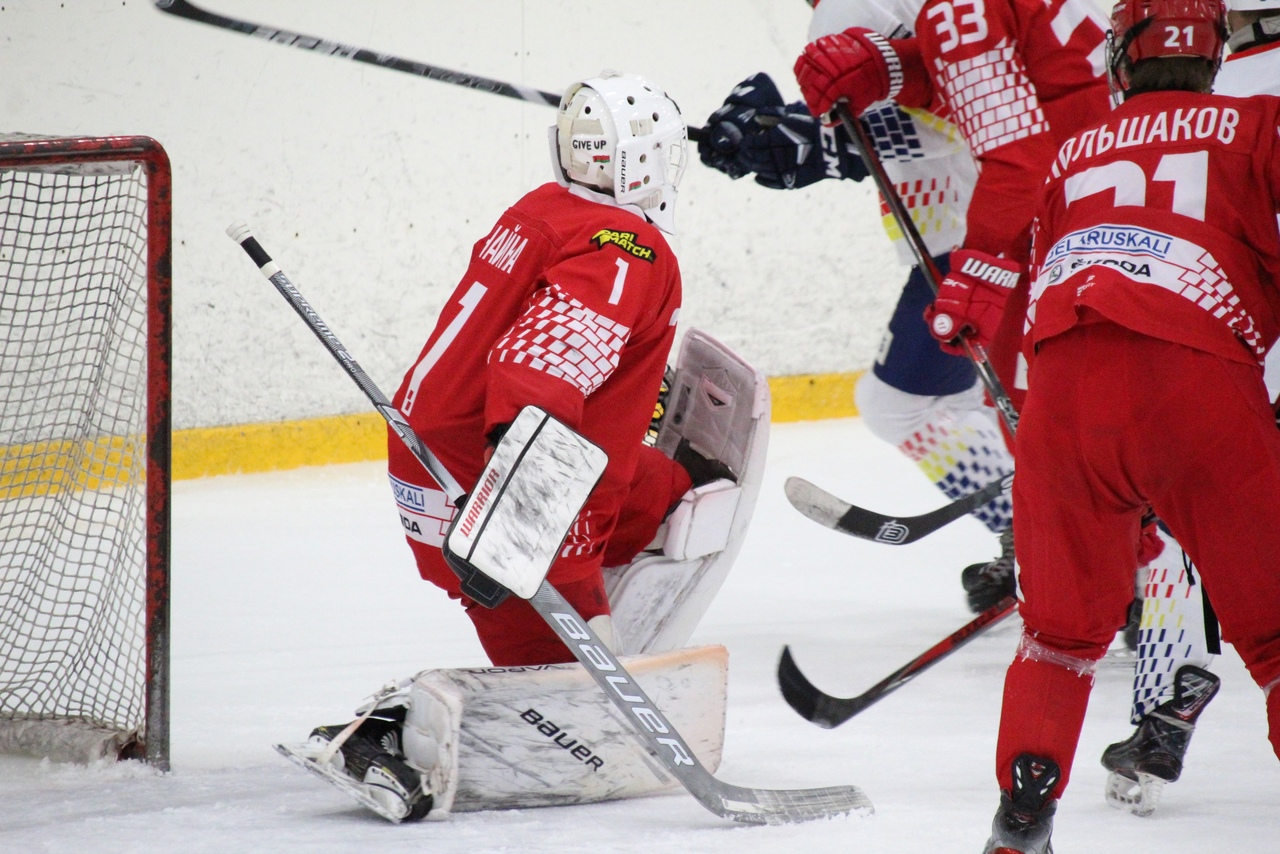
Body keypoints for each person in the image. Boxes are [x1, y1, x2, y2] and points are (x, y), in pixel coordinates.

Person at [964, 0, 1280, 847]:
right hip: (1197, 384)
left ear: (1124, 56)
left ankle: (1021, 817)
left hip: (1064, 401)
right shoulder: (1257, 124)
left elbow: (1039, 298)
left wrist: (1108, 484)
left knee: (1059, 638)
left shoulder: (1073, 148)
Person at [699, 0, 1016, 616]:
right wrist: (791, 135)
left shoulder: (855, 7)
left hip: (977, 237)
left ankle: (1057, 536)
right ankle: (1057, 538)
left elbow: (967, 112)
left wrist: (819, 142)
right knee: (968, 403)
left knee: (899, 404)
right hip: (985, 227)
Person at [384, 71, 707, 668]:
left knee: (659, 487)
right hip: (489, 481)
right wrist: (512, 524)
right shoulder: (628, 248)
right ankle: (421, 718)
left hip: (428, 446)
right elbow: (538, 367)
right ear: (639, 161)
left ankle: (646, 517)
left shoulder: (545, 207)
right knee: (558, 685)